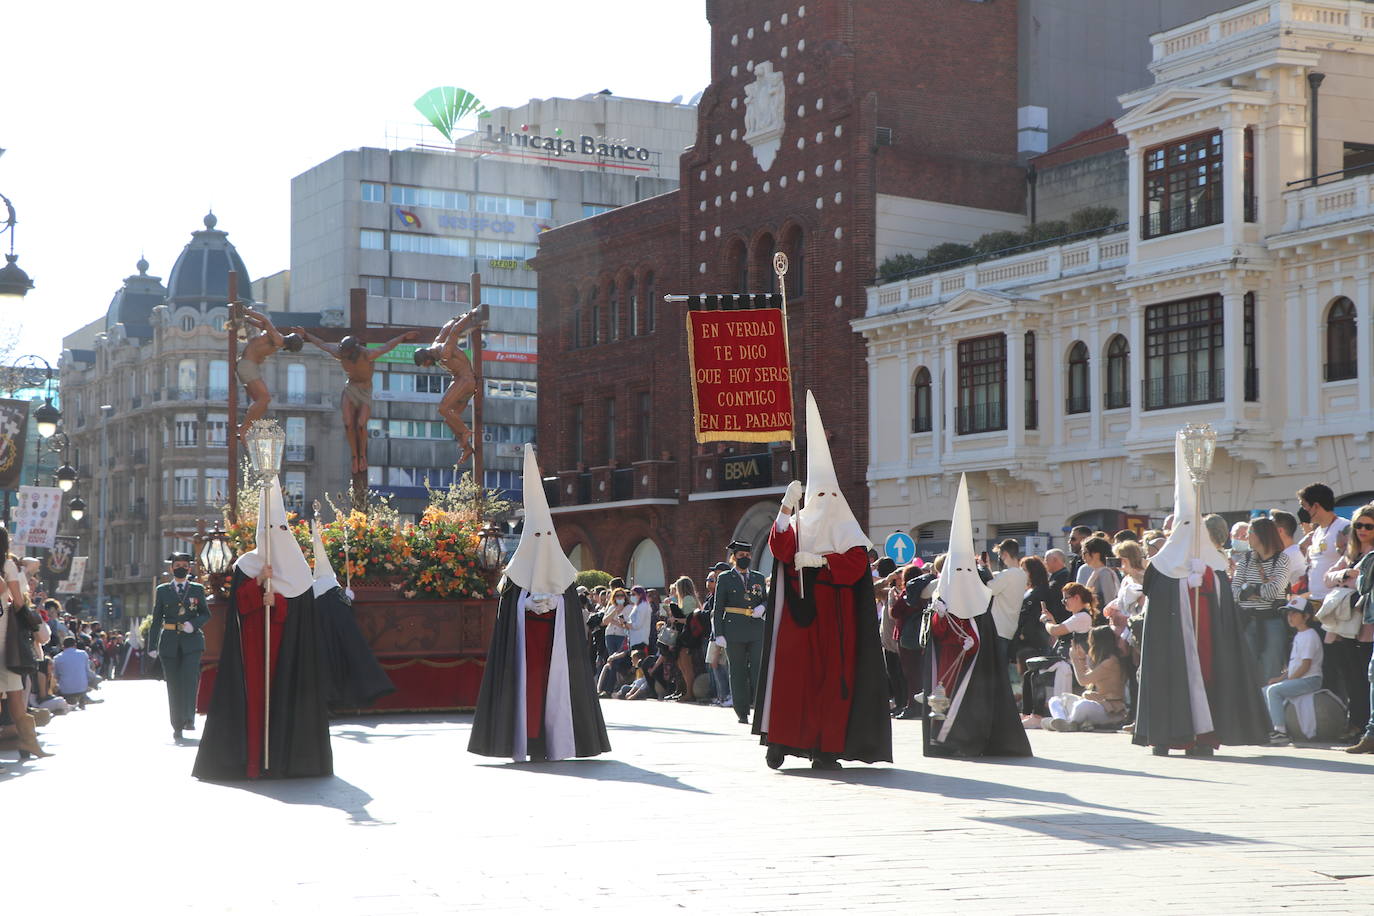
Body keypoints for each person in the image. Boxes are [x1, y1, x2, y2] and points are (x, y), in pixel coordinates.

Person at [753, 392, 892, 770]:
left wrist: (823, 562)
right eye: (819, 494)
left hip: (837, 619)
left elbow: (856, 564)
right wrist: (785, 506)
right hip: (799, 615)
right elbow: (780, 546)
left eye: (833, 494)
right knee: (792, 679)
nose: (827, 500)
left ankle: (827, 748)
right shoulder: (798, 522)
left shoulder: (848, 527)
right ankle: (780, 741)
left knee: (833, 685)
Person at [469, 445, 610, 761]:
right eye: (536, 535)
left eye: (547, 534)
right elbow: (506, 616)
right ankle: (527, 740)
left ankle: (556, 741)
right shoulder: (516, 575)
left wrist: (557, 605)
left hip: (555, 650)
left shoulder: (566, 577)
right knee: (528, 694)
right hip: (524, 651)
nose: (542, 542)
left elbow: (573, 619)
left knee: (556, 692)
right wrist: (525, 607)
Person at [1132, 430, 1268, 757]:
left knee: (1207, 681)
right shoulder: (1161, 564)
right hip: (1173, 643)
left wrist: (1204, 576)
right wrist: (1184, 580)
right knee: (1170, 682)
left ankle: (1203, 736)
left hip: (1205, 638)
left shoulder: (1212, 563)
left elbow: (1223, 599)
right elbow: (1153, 593)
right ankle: (1166, 736)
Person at [193, 478, 332, 780]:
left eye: (281, 529)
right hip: (254, 648)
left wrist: (278, 603)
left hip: (288, 653)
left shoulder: (298, 569)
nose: (275, 536)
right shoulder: (248, 564)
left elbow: (303, 618)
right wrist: (258, 587)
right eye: (269, 529)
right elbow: (238, 609)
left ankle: (286, 761)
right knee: (255, 702)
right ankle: (254, 762)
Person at [921, 474, 1031, 758]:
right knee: (943, 703)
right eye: (957, 571)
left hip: (975, 670)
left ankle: (972, 741)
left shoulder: (982, 604)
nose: (963, 576)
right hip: (947, 665)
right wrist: (940, 615)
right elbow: (935, 634)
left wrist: (972, 640)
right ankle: (943, 742)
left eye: (967, 571)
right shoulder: (941, 599)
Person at [296, 327, 417, 475]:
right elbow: (322, 344)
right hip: (351, 388)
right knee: (348, 423)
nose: (344, 354)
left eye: (346, 351)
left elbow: (387, 346)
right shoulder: (340, 354)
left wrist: (403, 336)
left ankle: (362, 455)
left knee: (360, 424)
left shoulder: (367, 355)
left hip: (365, 391)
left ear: (353, 350)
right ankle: (354, 456)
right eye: (343, 351)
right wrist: (306, 334)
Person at [309, 512, 395, 711]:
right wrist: (348, 597)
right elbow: (345, 609)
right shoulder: (333, 587)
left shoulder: (314, 590)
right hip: (341, 640)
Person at [1319, 502, 1374, 740]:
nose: (1362, 530)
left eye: (1368, 526)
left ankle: (1364, 726)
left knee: (1364, 675)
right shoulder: (1350, 553)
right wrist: (1346, 574)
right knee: (1351, 675)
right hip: (1345, 623)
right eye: (1358, 525)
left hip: (1366, 623)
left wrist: (1350, 580)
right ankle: (1356, 723)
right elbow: (1327, 577)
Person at [2, 526, 53, 760]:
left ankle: (28, 743)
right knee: (14, 691)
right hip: (5, 635)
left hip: (4, 633)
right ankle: (28, 742)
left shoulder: (9, 566)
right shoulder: (8, 565)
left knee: (12, 689)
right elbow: (19, 602)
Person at [148, 552, 211, 741]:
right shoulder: (163, 590)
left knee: (190, 679)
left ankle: (189, 719)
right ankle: (177, 724)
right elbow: (157, 618)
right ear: (171, 568)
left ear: (189, 569)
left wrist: (194, 624)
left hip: (192, 642)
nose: (180, 568)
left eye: (184, 565)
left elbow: (206, 614)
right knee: (174, 684)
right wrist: (152, 645)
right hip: (169, 642)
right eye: (177, 565)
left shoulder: (197, 589)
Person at [414, 308, 484, 466]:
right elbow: (446, 328)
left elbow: (454, 332)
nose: (427, 367)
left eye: (425, 365)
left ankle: (466, 432)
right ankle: (466, 448)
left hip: (466, 380)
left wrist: (469, 316)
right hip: (460, 382)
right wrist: (457, 317)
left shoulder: (444, 351)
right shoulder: (435, 346)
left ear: (426, 358)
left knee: (443, 408)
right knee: (450, 420)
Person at [713, 538, 768, 725]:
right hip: (733, 629)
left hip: (755, 629)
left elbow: (767, 599)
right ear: (734, 557)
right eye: (740, 555)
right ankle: (742, 712)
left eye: (747, 555)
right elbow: (718, 607)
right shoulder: (725, 578)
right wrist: (718, 633)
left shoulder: (758, 577)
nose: (744, 558)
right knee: (737, 672)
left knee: (758, 671)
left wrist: (763, 607)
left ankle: (760, 710)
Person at [1231, 517, 1293, 683]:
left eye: (1250, 532)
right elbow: (1234, 591)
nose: (1247, 537)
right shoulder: (1246, 559)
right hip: (1247, 620)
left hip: (1272, 621)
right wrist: (1254, 590)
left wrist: (1249, 589)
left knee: (1270, 671)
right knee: (1247, 673)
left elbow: (1274, 591)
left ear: (1262, 535)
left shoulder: (1282, 559)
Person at [235, 306, 303, 444]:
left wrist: (247, 318)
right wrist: (248, 313)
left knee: (261, 402)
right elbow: (265, 320)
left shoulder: (274, 337)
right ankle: (244, 428)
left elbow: (261, 324)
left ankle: (245, 426)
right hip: (248, 366)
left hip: (247, 366)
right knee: (264, 399)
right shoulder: (278, 339)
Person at [1042, 626, 1129, 732]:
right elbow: (1086, 676)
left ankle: (1065, 722)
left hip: (1110, 711)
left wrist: (1074, 659)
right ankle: (1063, 722)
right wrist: (1081, 658)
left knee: (1082, 705)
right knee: (1055, 701)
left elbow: (1083, 680)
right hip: (1098, 705)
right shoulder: (1100, 660)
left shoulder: (1111, 661)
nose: (1089, 645)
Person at [1264, 603, 1324, 746]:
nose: (1290, 617)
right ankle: (1273, 728)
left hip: (1311, 680)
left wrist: (1288, 680)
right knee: (1265, 689)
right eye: (1288, 614)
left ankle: (1281, 732)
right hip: (1300, 679)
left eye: (1294, 614)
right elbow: (1294, 666)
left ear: (1306, 616)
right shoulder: (1299, 635)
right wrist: (1280, 679)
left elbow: (1306, 665)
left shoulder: (1309, 635)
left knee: (1274, 691)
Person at [984, 539, 1027, 657]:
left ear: (1005, 554)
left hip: (998, 628)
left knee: (997, 667)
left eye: (1000, 555)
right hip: (1011, 627)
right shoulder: (1022, 574)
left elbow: (988, 589)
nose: (1000, 558)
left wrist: (984, 569)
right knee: (1005, 666)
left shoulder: (1007, 574)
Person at [53, 636, 93, 708]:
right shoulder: (83, 654)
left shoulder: (57, 658)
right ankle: (82, 700)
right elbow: (87, 670)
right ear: (75, 645)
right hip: (82, 687)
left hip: (66, 690)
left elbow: (56, 675)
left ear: (63, 646)